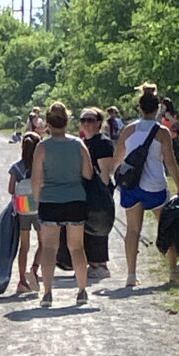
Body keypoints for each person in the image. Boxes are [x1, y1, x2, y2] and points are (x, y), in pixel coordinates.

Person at [114, 92, 179, 286]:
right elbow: (170, 161)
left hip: (131, 186)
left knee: (132, 230)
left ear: (139, 108)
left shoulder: (128, 130)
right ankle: (173, 269)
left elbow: (118, 159)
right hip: (154, 185)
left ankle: (131, 274)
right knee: (166, 227)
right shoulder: (162, 132)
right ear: (158, 109)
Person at [31, 102, 93, 307]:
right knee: (77, 247)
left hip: (50, 200)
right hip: (75, 198)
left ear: (47, 123)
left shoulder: (42, 147)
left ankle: (48, 294)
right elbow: (88, 173)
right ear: (67, 122)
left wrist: (38, 200)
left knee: (49, 248)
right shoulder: (78, 144)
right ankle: (82, 290)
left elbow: (36, 179)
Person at [79, 107, 115, 279]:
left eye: (90, 120)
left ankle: (100, 264)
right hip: (85, 191)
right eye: (83, 120)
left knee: (98, 227)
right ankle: (91, 263)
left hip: (99, 192)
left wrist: (99, 195)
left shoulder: (103, 143)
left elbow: (105, 174)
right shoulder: (83, 142)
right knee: (87, 227)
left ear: (99, 123)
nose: (86, 123)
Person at [8, 131, 42, 293]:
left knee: (24, 246)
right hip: (39, 207)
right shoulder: (41, 165)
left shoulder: (16, 167)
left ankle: (21, 281)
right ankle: (34, 269)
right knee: (44, 243)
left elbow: (10, 189)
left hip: (23, 208)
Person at [160, 97, 179, 165]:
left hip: (170, 138)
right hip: (172, 137)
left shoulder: (167, 114)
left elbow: (174, 122)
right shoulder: (174, 114)